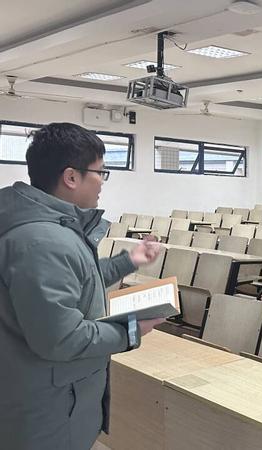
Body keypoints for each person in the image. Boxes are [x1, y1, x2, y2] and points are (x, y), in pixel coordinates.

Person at [0, 122, 165, 449]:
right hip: (48, 411)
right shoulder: (44, 240)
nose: (102, 181)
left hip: (39, 397)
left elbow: (77, 279)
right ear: (71, 177)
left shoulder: (43, 228)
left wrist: (129, 261)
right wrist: (131, 331)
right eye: (100, 172)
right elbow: (62, 338)